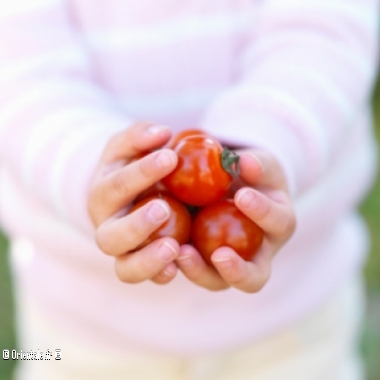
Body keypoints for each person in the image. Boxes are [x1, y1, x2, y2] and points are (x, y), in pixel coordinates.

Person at [0, 0, 378, 379]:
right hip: (72, 333)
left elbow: (326, 33)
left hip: (295, 319)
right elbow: (19, 72)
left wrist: (266, 141)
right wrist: (96, 173)